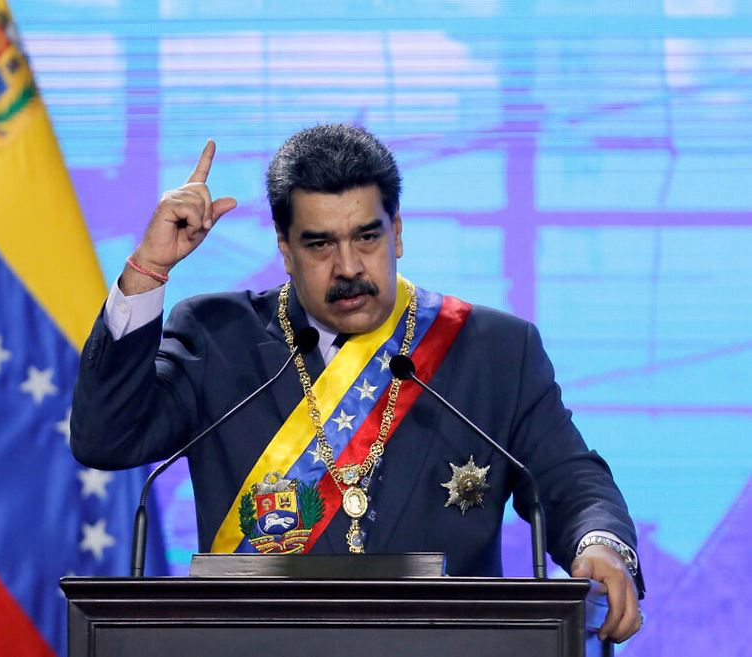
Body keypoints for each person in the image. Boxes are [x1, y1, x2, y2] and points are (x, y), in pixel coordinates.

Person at [71, 124, 644, 642]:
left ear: (398, 233)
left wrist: (600, 544)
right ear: (285, 249)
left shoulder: (494, 350)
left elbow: (570, 478)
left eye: (367, 237)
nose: (348, 267)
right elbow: (106, 438)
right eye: (320, 244)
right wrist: (148, 269)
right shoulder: (217, 337)